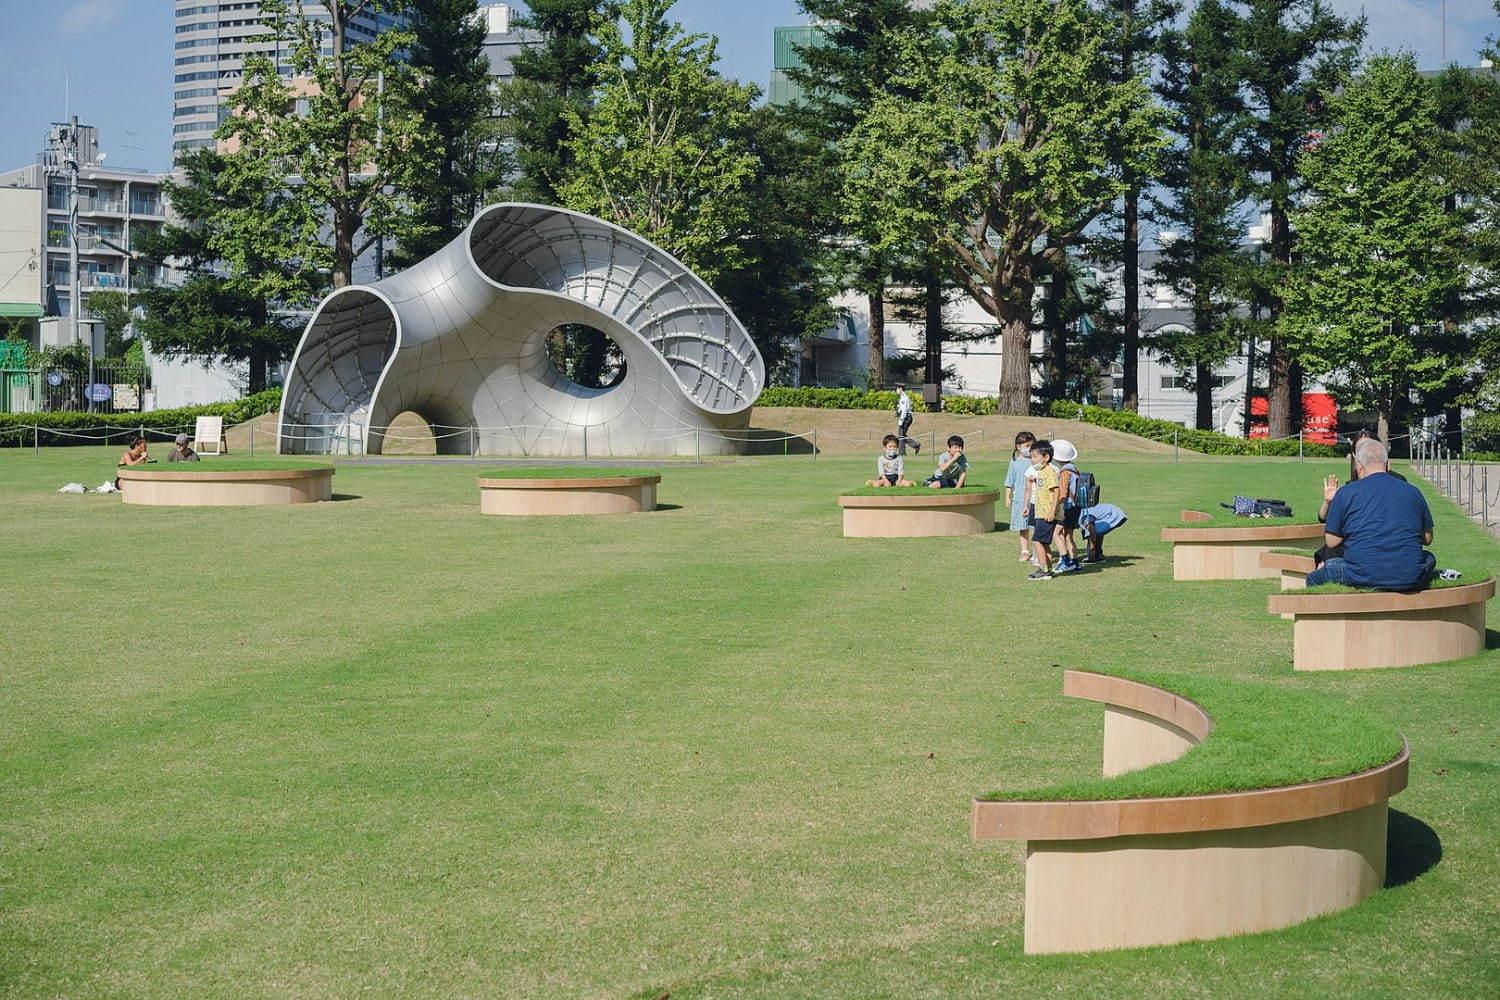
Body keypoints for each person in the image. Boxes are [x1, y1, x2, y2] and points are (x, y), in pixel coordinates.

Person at [1305, 438, 1436, 591]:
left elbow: (1332, 541)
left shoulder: (1346, 493)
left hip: (1361, 575)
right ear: (1387, 464)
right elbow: (1427, 538)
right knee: (1429, 558)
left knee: (1320, 573)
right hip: (1408, 576)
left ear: (1359, 466)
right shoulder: (1413, 491)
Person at [1026, 439, 1060, 580]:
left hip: (1046, 514)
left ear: (1046, 458)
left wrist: (1052, 511)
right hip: (1040, 512)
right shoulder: (1041, 472)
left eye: (1035, 456)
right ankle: (1049, 569)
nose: (1032, 460)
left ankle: (1043, 569)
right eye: (1031, 457)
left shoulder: (1049, 472)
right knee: (1044, 543)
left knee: (1036, 541)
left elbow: (1056, 491)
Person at [1004, 431, 1037, 562]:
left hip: (1035, 497)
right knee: (1023, 527)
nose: (1029, 448)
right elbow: (1009, 480)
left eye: (1031, 445)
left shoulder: (1036, 460)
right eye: (1027, 445)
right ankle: (1024, 551)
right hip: (1019, 498)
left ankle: (1037, 551)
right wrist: (1007, 497)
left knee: (1035, 526)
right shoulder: (1014, 462)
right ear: (1019, 447)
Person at [1052, 439, 1082, 573]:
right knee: (1068, 535)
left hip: (1067, 508)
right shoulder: (1075, 469)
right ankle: (1075, 562)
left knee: (1056, 533)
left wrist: (1055, 507)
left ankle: (1065, 561)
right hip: (1076, 507)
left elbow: (1062, 493)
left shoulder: (1064, 473)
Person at [894, 384, 920, 455]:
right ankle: (915, 445)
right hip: (906, 417)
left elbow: (905, 410)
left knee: (901, 436)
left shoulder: (904, 398)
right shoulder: (902, 397)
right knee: (902, 435)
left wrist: (901, 420)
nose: (896, 390)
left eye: (897, 388)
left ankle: (902, 453)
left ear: (901, 389)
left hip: (906, 417)